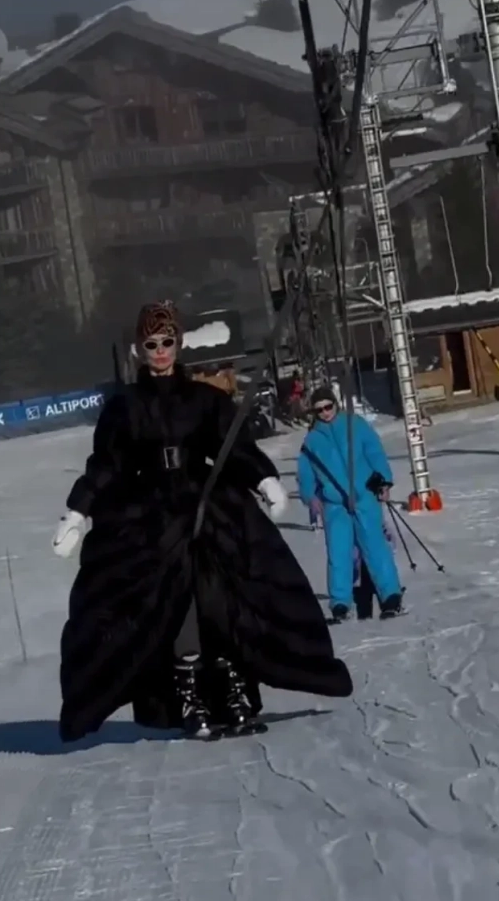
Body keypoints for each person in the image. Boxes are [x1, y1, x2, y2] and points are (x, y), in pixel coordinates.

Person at [52, 301, 352, 742]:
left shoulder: (205, 400)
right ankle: (190, 696)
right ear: (139, 349)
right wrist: (78, 512)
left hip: (208, 507)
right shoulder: (124, 408)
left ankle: (233, 687)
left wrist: (263, 478)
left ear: (179, 343)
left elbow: (232, 448)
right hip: (153, 517)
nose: (160, 351)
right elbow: (106, 466)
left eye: (167, 341)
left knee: (224, 594)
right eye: (151, 343)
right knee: (173, 601)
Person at [297, 385, 403, 623]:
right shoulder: (312, 440)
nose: (325, 413)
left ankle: (391, 596)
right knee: (339, 553)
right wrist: (310, 496)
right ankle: (340, 603)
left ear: (336, 404)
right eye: (319, 410)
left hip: (364, 496)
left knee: (375, 547)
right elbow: (305, 471)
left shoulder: (355, 425)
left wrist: (384, 481)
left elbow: (375, 452)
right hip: (335, 505)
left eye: (328, 407)